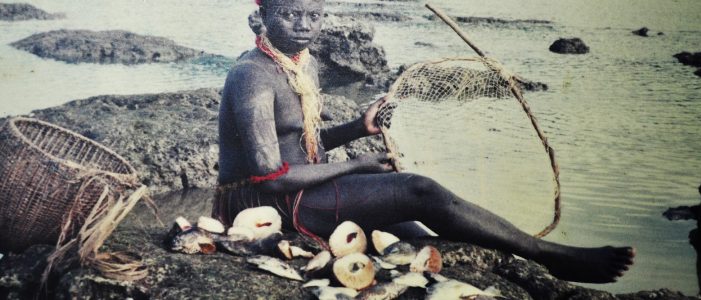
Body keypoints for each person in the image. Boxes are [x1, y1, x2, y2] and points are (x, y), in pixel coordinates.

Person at [213, 0, 634, 283]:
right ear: (261, 18)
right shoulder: (252, 74)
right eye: (290, 14)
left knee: (413, 232)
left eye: (314, 14)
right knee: (419, 189)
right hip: (269, 205)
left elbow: (301, 143)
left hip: (306, 188)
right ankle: (549, 254)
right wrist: (359, 165)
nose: (304, 24)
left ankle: (523, 259)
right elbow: (270, 176)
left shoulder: (303, 65)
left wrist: (358, 128)